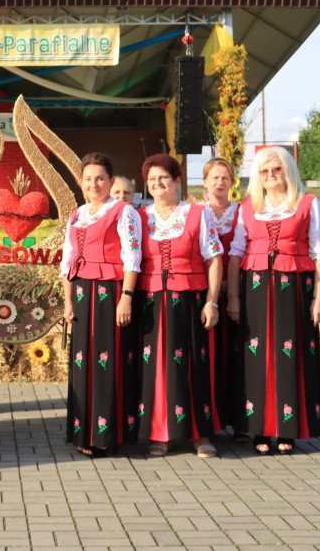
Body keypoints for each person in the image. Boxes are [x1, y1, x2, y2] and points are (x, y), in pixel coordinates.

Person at [227, 146, 320, 455]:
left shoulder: (308, 203)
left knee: (290, 354)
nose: (270, 176)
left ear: (288, 171)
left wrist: (319, 298)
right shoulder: (247, 207)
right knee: (255, 356)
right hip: (255, 288)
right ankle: (258, 428)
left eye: (276, 169)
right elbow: (235, 253)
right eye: (264, 171)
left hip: (294, 286)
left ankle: (287, 429)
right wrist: (232, 296)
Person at [134, 153, 223, 458]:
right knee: (156, 366)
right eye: (151, 179)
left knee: (194, 367)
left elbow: (214, 260)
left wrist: (212, 302)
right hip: (152, 300)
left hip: (190, 299)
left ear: (176, 181)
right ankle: (160, 433)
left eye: (163, 178)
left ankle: (199, 434)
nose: (158, 184)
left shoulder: (198, 214)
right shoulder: (139, 216)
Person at [60, 153, 142, 457]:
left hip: (110, 292)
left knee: (108, 362)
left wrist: (127, 297)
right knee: (82, 363)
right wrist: (67, 301)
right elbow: (67, 261)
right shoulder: (77, 214)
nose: (93, 184)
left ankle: (107, 435)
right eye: (88, 178)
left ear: (110, 181)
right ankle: (84, 431)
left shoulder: (123, 211)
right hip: (81, 294)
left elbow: (132, 257)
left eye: (100, 178)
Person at [199, 158, 241, 439]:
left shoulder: (243, 211)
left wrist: (233, 291)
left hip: (238, 292)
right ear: (205, 181)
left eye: (225, 177)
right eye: (214, 177)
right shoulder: (194, 212)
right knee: (209, 357)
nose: (220, 182)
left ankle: (241, 421)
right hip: (206, 295)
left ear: (233, 182)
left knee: (238, 358)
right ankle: (208, 420)